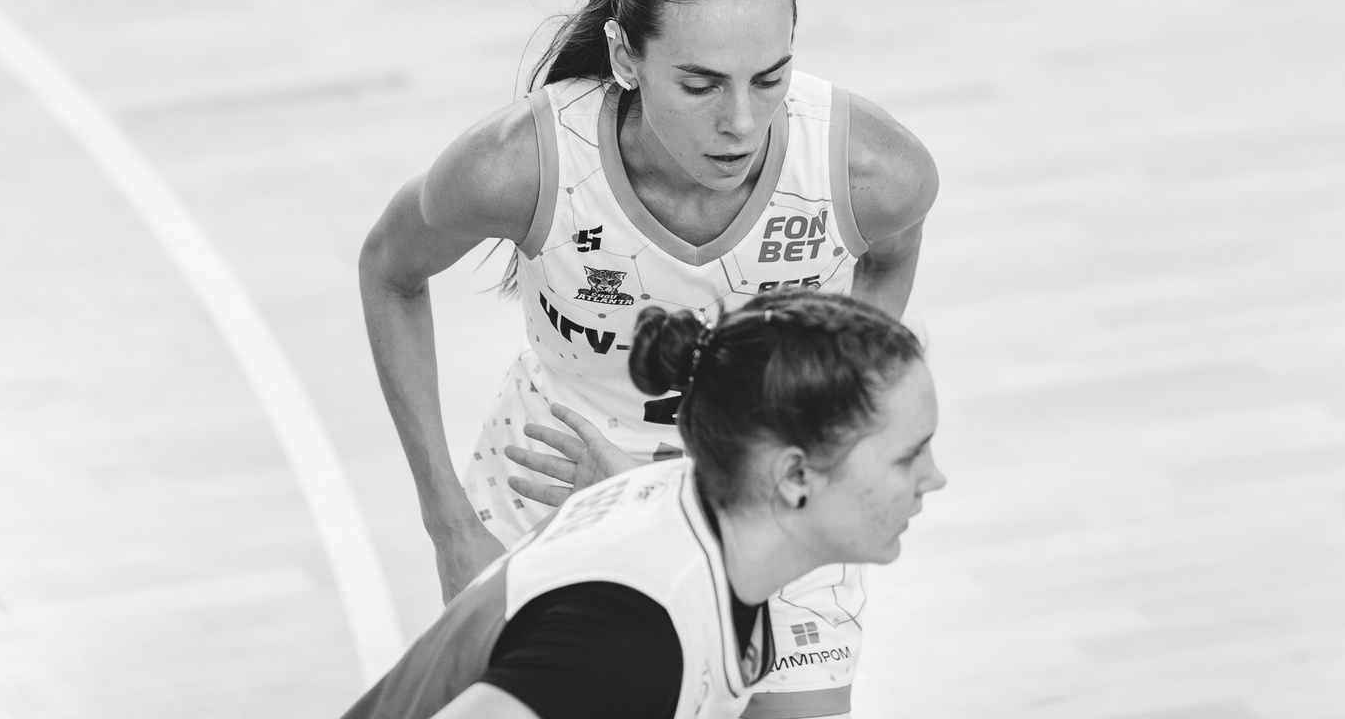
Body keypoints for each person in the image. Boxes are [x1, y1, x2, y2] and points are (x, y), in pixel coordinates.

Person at [360, 0, 939, 717]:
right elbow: (389, 273)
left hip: (770, 489)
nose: (741, 122)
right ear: (625, 57)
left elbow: (889, 259)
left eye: (769, 78)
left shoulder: (873, 172)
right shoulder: (517, 166)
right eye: (701, 85)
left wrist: (817, 421)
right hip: (558, 490)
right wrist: (449, 521)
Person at [339, 292, 947, 719]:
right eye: (908, 457)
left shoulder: (706, 528)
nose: (934, 478)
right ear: (793, 476)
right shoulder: (630, 638)